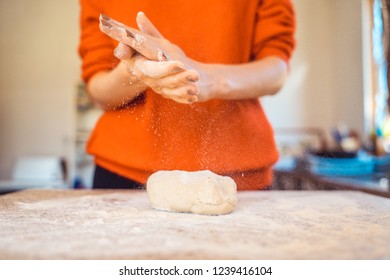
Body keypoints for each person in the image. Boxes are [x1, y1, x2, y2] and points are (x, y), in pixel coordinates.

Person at [78, 0, 296, 190]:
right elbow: (98, 92)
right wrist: (135, 73)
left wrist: (209, 79)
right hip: (123, 171)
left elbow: (276, 70)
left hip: (239, 171)